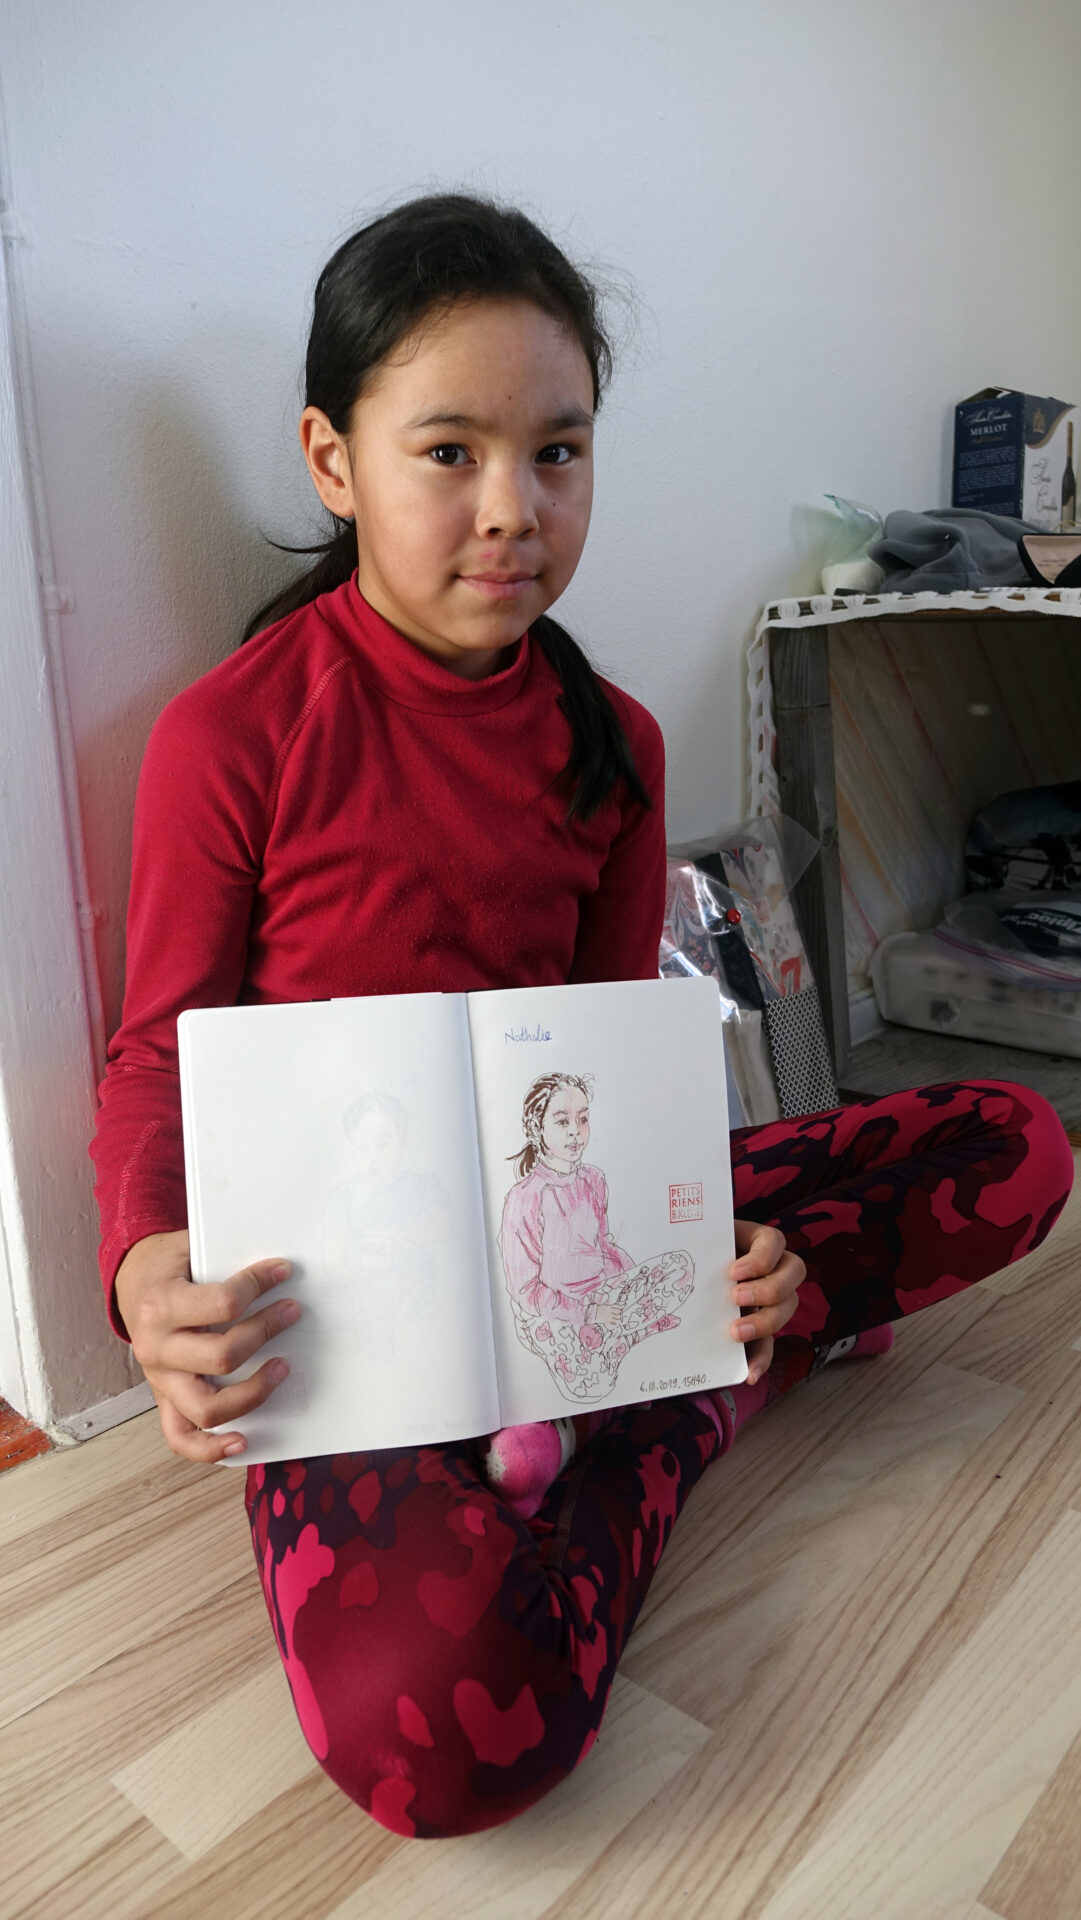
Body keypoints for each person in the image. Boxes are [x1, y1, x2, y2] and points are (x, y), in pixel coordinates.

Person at [89, 192, 1075, 1842]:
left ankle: (687, 1366)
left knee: (1018, 1138)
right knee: (442, 1737)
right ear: (333, 461)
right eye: (449, 452)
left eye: (558, 452)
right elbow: (152, 1056)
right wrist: (144, 1276)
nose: (513, 510)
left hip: (576, 1243)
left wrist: (710, 1254)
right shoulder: (234, 735)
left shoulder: (611, 741)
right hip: (352, 1312)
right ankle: (690, 1406)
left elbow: (619, 1063)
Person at [496, 1071, 693, 1406]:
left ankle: (617, 1333)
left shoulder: (594, 1179)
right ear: (535, 1128)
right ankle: (630, 1331)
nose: (575, 1130)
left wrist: (632, 1281)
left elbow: (604, 1247)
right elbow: (526, 1292)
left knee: (682, 1266)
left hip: (601, 1292)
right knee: (591, 1385)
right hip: (550, 1312)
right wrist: (588, 1313)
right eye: (562, 1121)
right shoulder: (524, 1198)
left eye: (583, 1119)